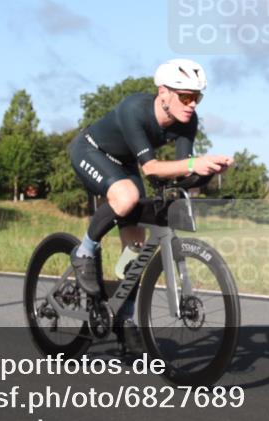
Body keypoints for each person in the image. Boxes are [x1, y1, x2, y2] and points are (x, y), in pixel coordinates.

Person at [68, 58, 233, 296]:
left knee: (135, 251)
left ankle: (124, 316)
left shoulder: (188, 122)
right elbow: (151, 169)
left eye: (197, 98)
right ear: (163, 92)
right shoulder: (134, 109)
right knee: (126, 197)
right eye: (186, 97)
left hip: (124, 164)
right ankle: (83, 252)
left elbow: (183, 172)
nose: (192, 105)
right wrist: (193, 163)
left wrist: (206, 171)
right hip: (91, 150)